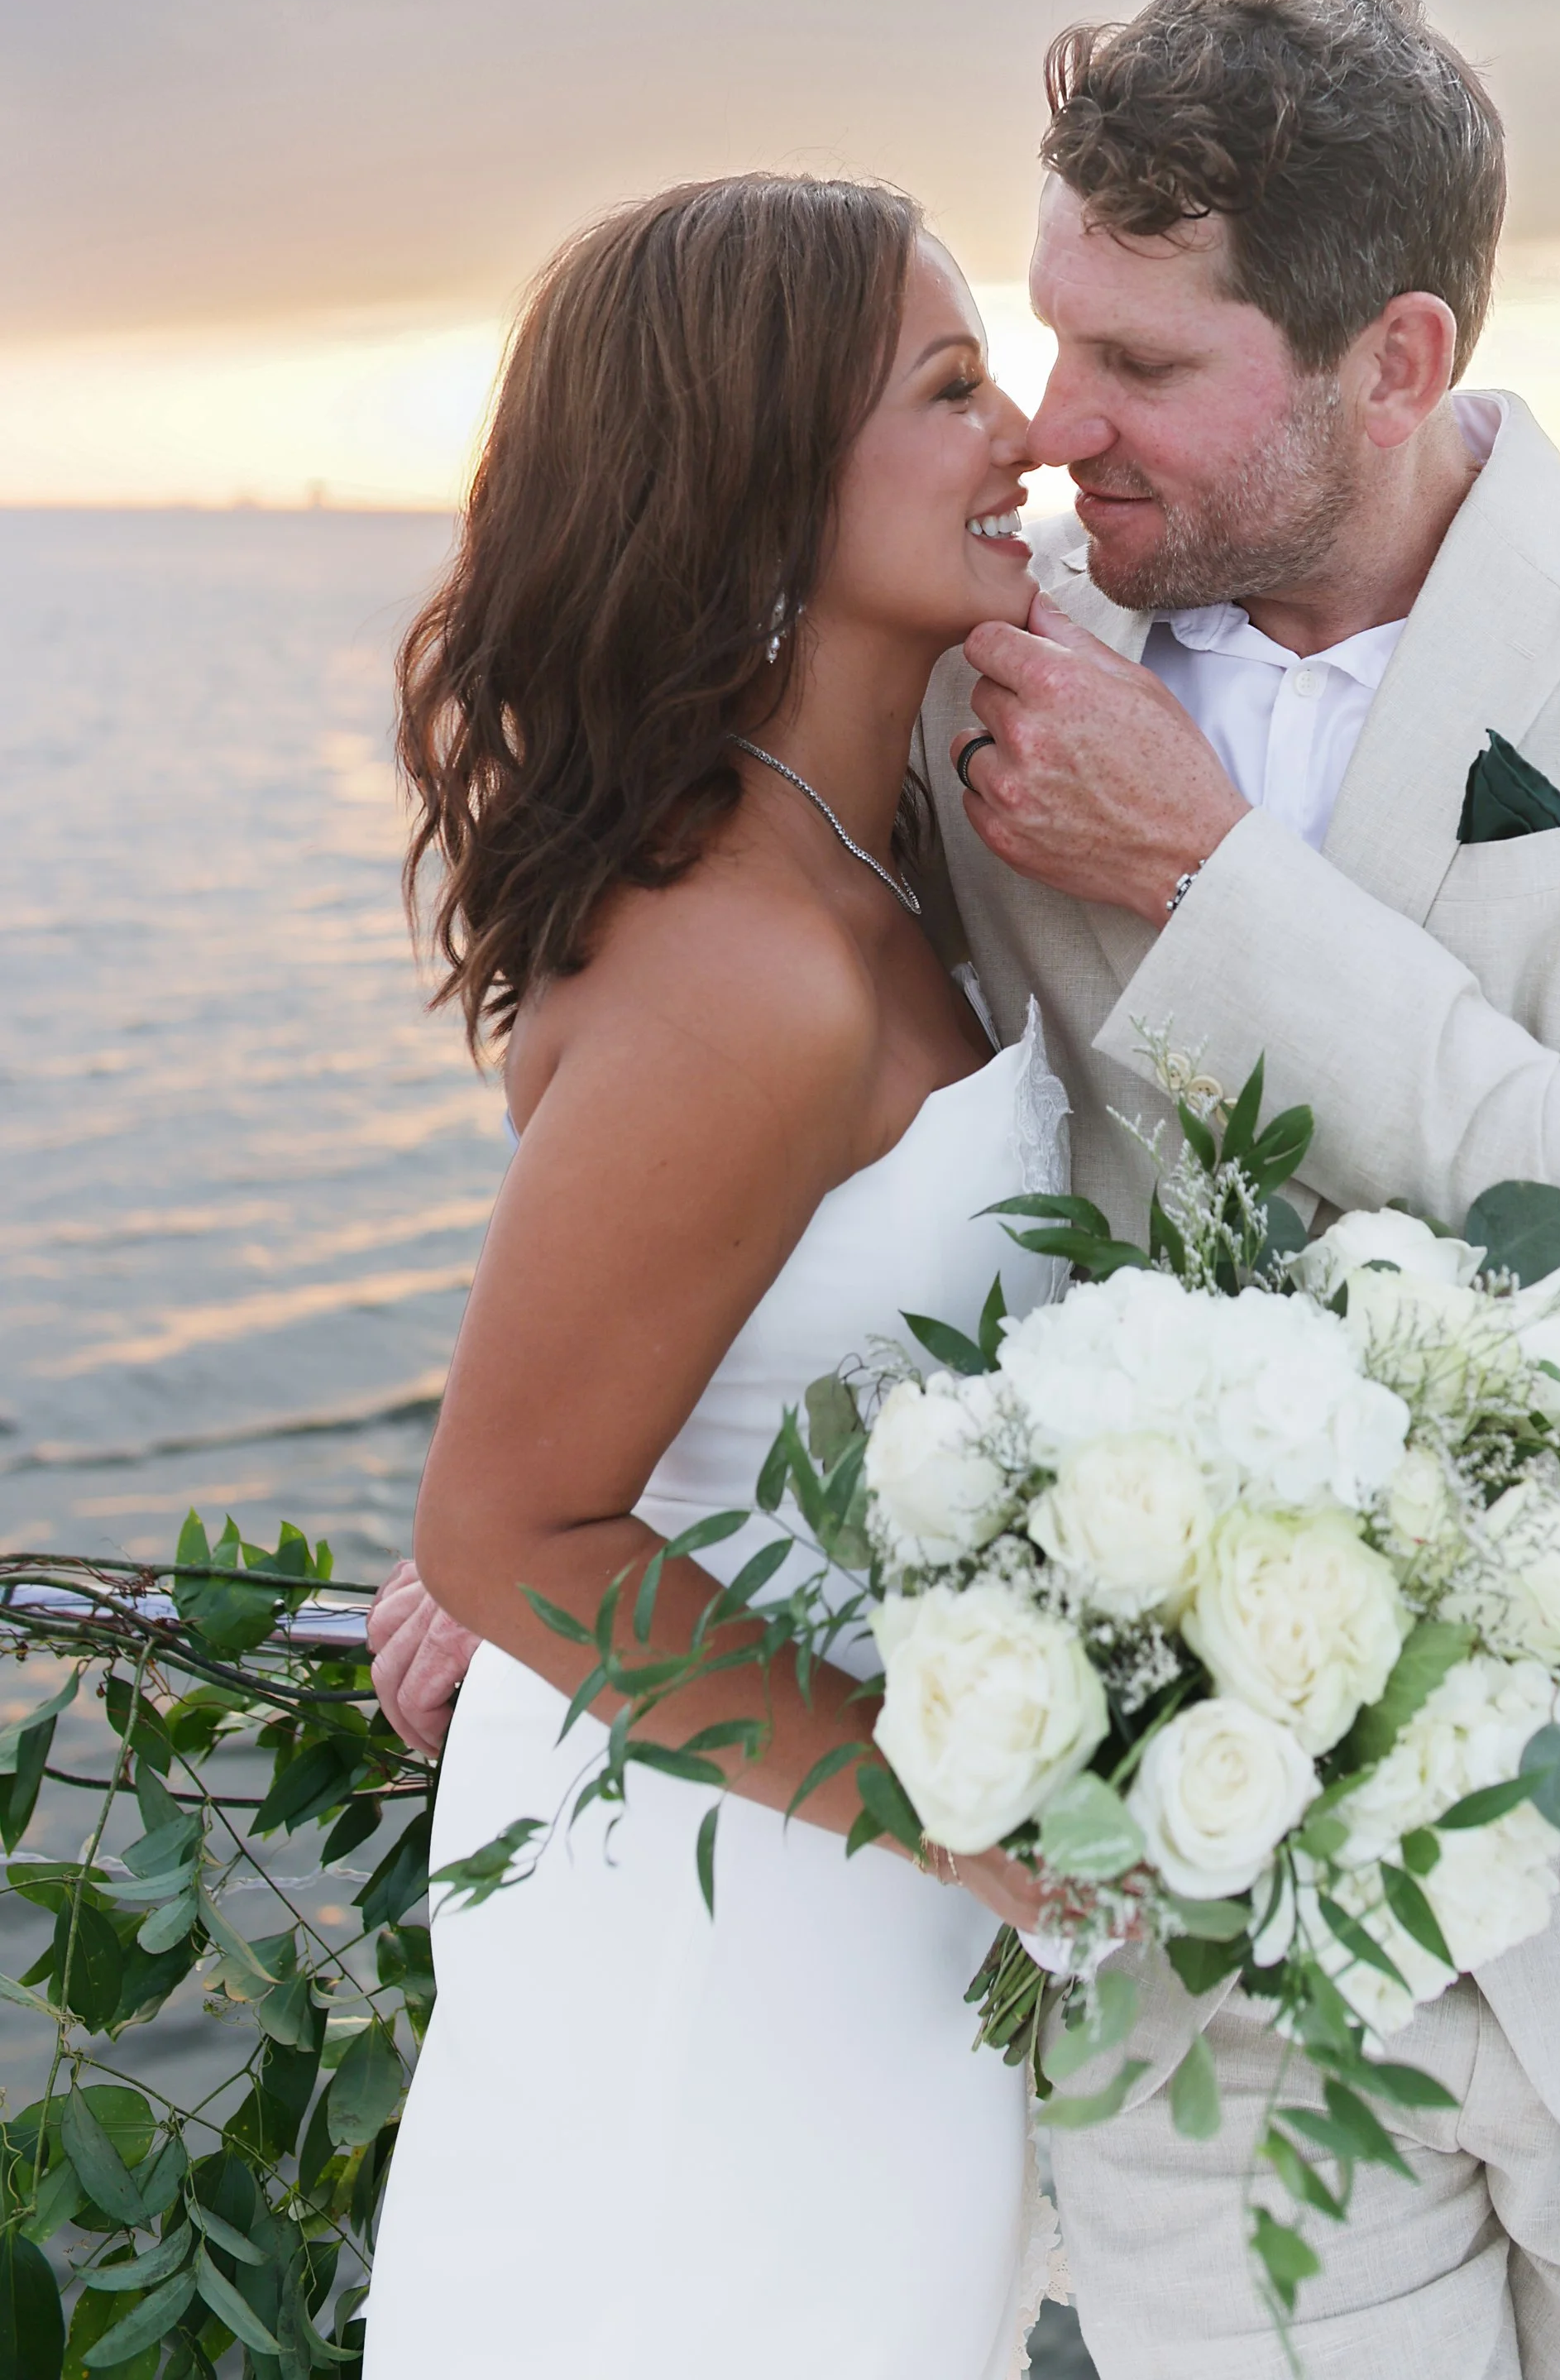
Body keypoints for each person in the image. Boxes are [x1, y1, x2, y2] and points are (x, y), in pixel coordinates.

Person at [375, 0, 1560, 2379]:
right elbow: (706, 1094)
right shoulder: (975, 663)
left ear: (1390, 359)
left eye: (1136, 369)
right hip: (1152, 1931)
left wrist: (1218, 885)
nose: (1056, 436)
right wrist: (551, 1522)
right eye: (1014, 350)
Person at [361, 175, 1072, 2380]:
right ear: (765, 477)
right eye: (951, 388)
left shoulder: (884, 862)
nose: (1028, 432)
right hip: (726, 1905)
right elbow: (502, 1521)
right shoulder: (744, 964)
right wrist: (946, 1811)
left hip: (853, 1894)